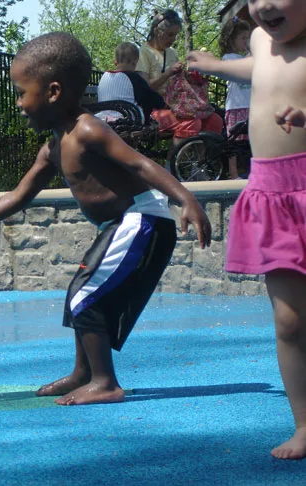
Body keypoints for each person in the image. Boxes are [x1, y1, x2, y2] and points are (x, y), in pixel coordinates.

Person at [0, 32, 211, 407]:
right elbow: (21, 194)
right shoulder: (52, 145)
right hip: (120, 225)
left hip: (141, 219)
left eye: (21, 92)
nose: (18, 103)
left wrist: (186, 198)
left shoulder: (87, 129)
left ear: (52, 91)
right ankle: (84, 372)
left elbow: (139, 162)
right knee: (81, 292)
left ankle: (105, 382)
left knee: (85, 293)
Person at [188, 0, 306, 460]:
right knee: (289, 320)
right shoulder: (260, 38)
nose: (263, 6)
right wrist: (214, 65)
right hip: (270, 192)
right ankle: (304, 424)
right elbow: (259, 68)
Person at [136, 9, 223, 144]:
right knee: (191, 123)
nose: (173, 39)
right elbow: (144, 88)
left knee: (215, 121)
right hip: (154, 109)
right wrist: (168, 73)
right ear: (157, 31)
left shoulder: (172, 53)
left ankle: (199, 161)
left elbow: (178, 82)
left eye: (175, 35)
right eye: (170, 35)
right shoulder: (144, 52)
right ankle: (172, 164)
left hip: (179, 106)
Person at [96, 42, 165, 125]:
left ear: (115, 62)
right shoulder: (134, 78)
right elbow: (151, 97)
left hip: (104, 119)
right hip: (129, 121)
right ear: (134, 62)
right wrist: (163, 104)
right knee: (147, 102)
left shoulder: (104, 76)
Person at [219, 17, 252, 179]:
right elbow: (241, 67)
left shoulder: (246, 57)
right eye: (243, 38)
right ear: (232, 40)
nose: (246, 41)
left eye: (248, 38)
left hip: (250, 104)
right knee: (234, 140)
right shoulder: (229, 58)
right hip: (236, 106)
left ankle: (250, 168)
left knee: (251, 139)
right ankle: (232, 172)